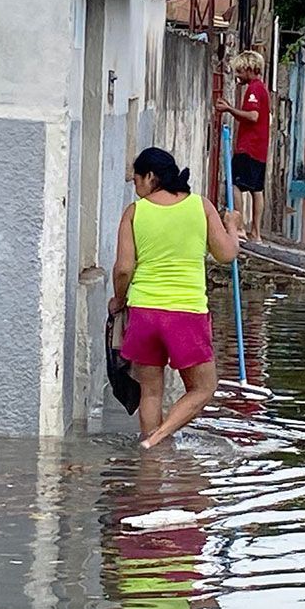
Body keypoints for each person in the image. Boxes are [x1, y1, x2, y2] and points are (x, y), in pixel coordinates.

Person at [109, 147, 241, 450]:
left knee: (151, 392)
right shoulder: (201, 206)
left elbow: (123, 269)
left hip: (144, 312)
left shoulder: (134, 212)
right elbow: (227, 254)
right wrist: (231, 225)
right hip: (187, 314)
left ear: (151, 177)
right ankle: (157, 440)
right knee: (203, 388)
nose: (136, 188)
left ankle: (151, 460)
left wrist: (119, 300)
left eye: (136, 180)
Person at [215, 50, 271, 243]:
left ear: (249, 69)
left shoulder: (254, 89)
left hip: (249, 146)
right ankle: (256, 233)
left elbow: (253, 116)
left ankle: (239, 228)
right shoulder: (262, 88)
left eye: (239, 71)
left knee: (235, 184)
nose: (237, 75)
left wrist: (229, 109)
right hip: (260, 148)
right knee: (257, 189)